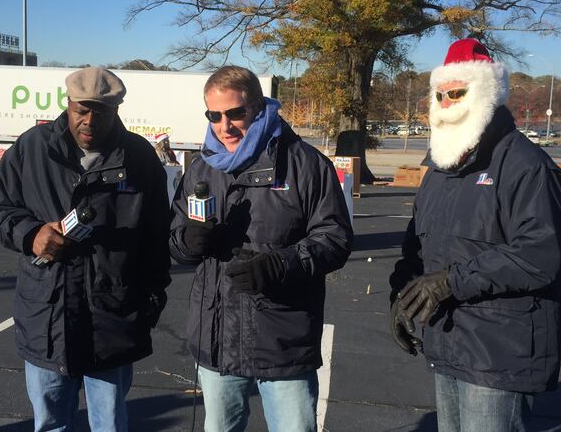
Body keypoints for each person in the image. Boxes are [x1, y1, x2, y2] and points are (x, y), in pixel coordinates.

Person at [0, 67, 171, 432]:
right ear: (67, 103)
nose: (88, 120)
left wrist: (150, 301)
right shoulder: (32, 147)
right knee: (51, 424)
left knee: (110, 424)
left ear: (117, 109)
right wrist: (31, 234)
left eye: (100, 111)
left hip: (113, 318)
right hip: (47, 317)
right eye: (81, 109)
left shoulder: (139, 157)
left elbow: (156, 236)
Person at [389, 38, 561, 431]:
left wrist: (451, 281)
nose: (448, 103)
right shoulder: (439, 170)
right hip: (448, 340)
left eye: (458, 92)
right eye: (440, 94)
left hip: (501, 351)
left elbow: (541, 254)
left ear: (486, 93)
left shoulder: (524, 165)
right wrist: (400, 295)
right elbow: (416, 246)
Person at [169, 65, 352, 432]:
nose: (225, 126)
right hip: (217, 338)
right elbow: (174, 235)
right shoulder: (201, 169)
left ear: (258, 106)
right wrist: (186, 242)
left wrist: (279, 265)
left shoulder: (305, 163)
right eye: (214, 115)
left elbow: (334, 238)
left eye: (236, 113)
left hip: (283, 339)